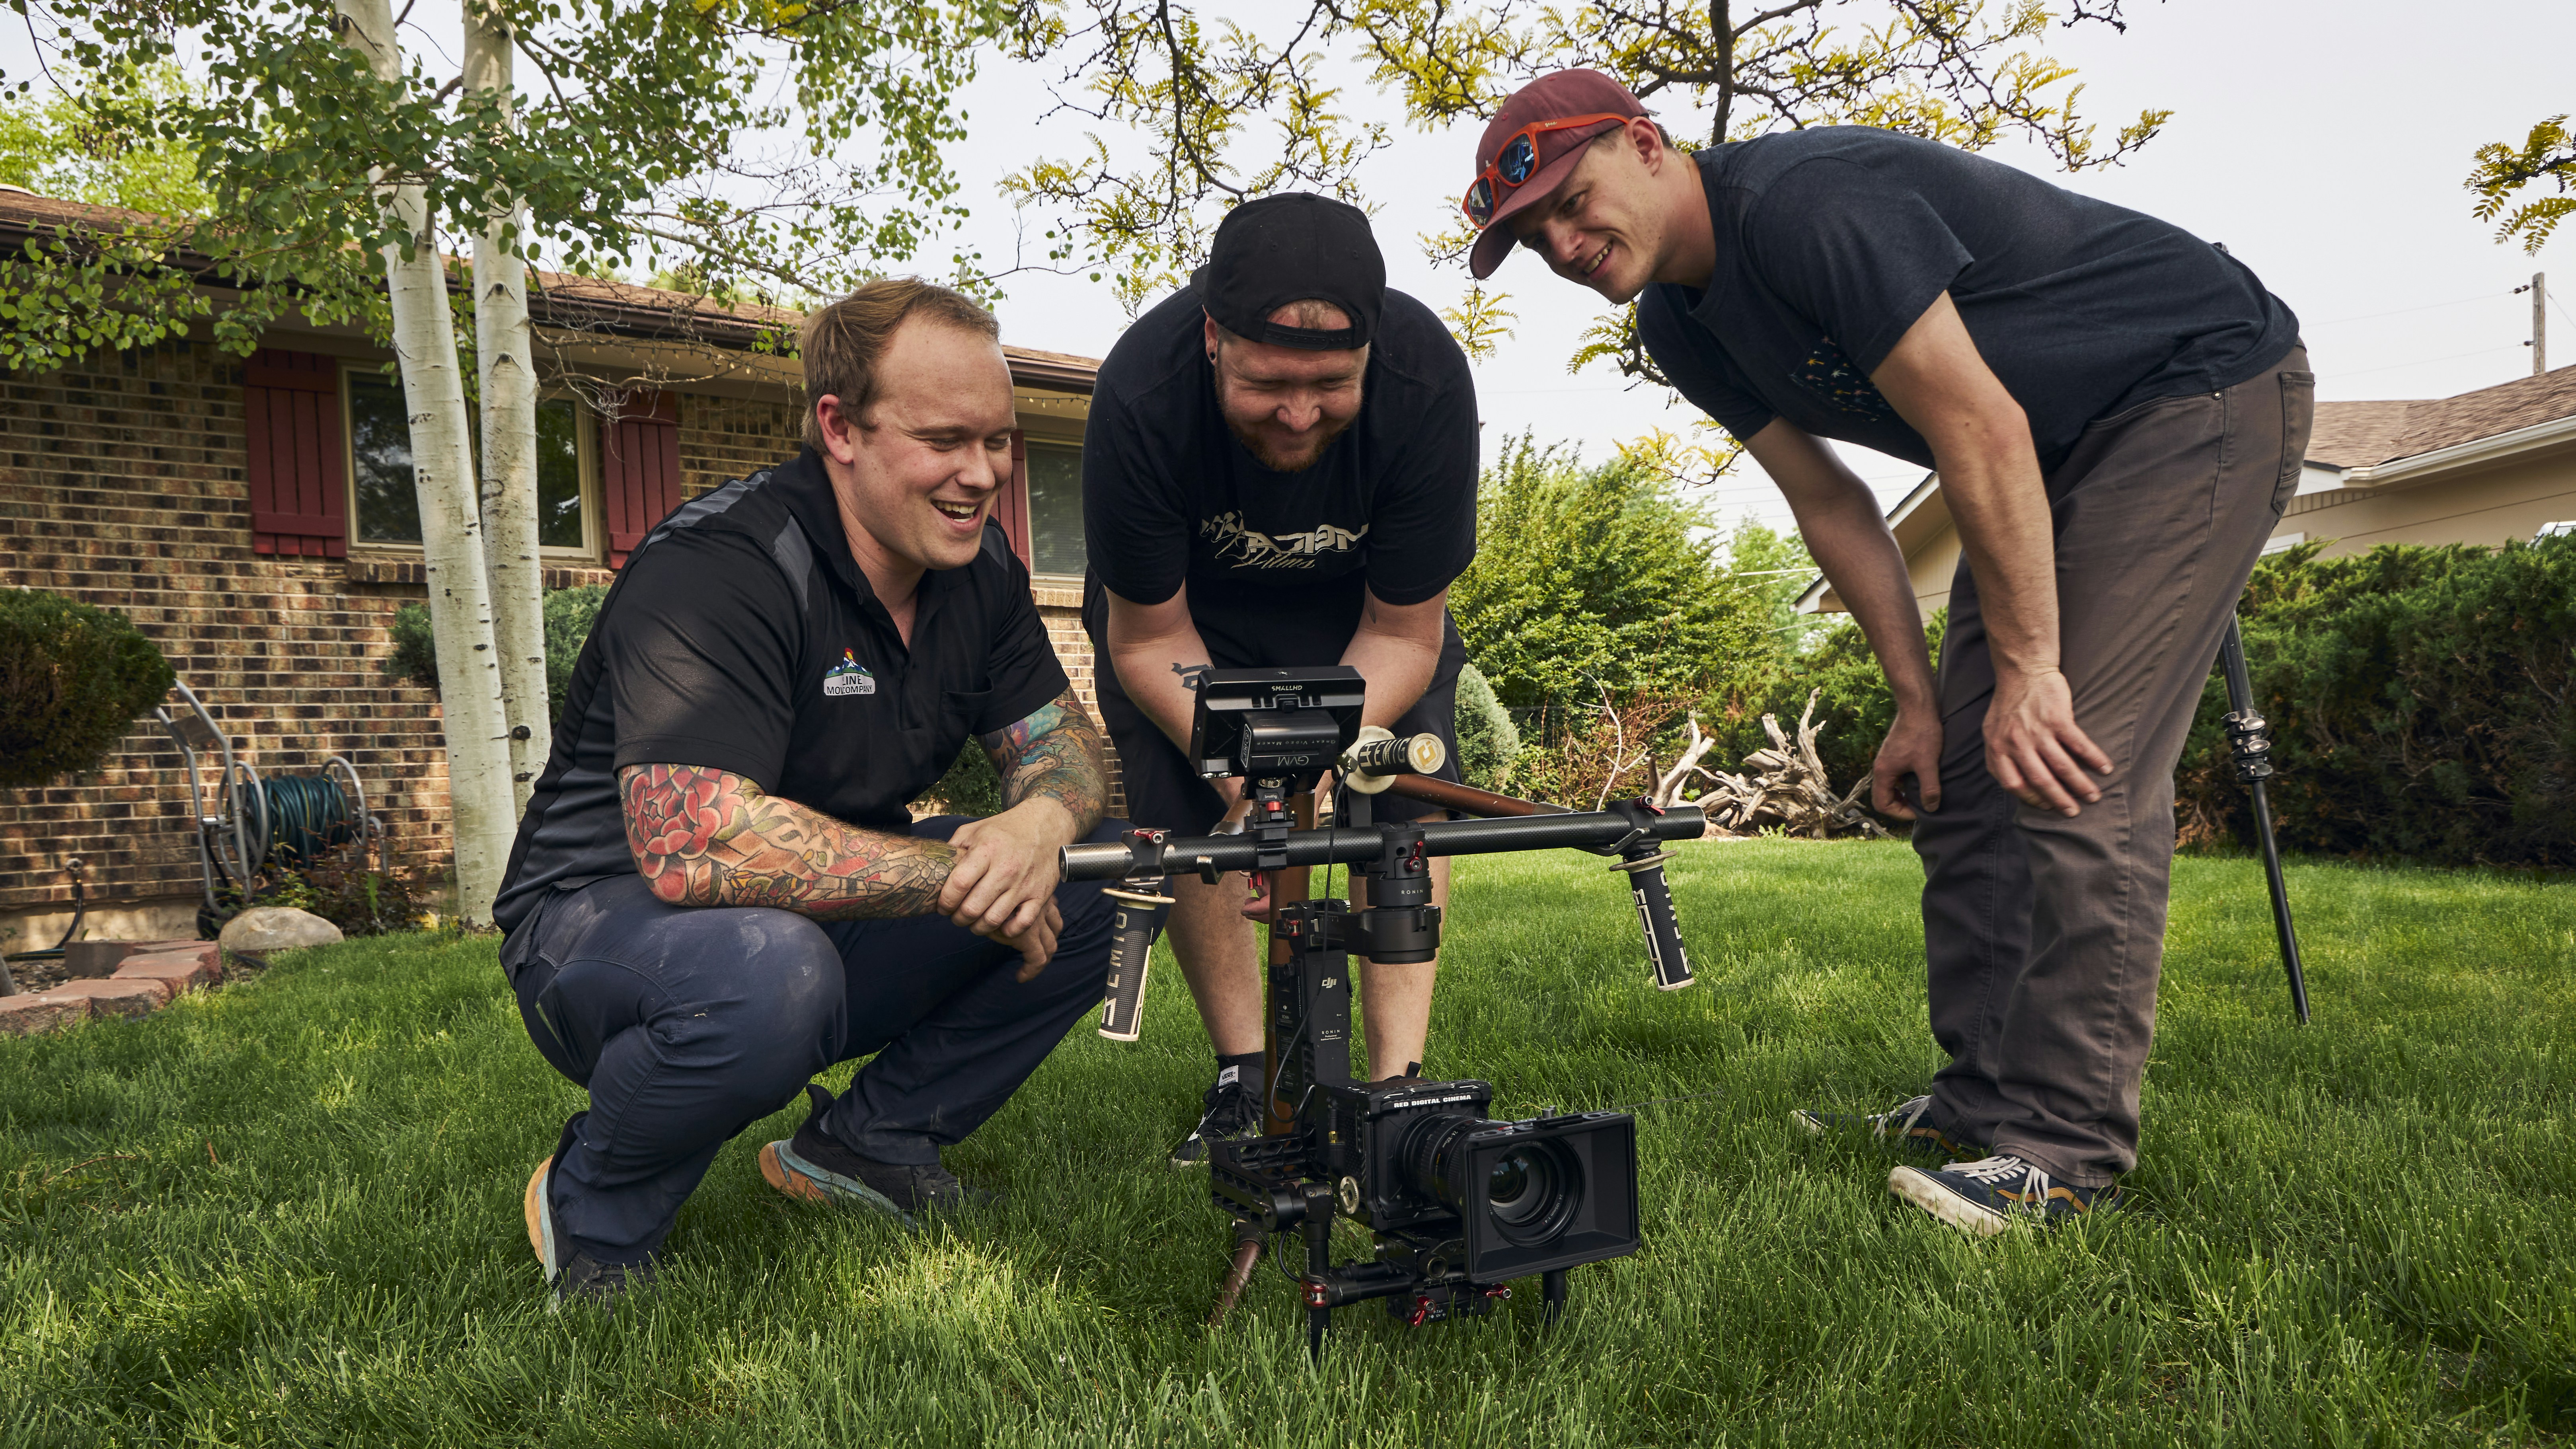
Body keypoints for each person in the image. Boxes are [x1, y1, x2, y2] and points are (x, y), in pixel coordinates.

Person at [1464, 71, 2310, 1235]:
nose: (1562, 243)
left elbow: (1977, 424)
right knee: (1964, 776)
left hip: (2190, 392)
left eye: (1573, 200)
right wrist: (1918, 702)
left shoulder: (1806, 206)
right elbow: (1833, 505)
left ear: (1648, 146)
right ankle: (1977, 1105)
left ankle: (2063, 1153)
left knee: (2071, 760)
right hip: (2048, 450)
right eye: (1531, 235)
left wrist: (2031, 669)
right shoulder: (1677, 324)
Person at [492, 278, 1124, 1303]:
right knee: (766, 970)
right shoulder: (720, 566)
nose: (985, 476)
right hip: (604, 929)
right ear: (840, 428)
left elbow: (1065, 744)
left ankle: (867, 1145)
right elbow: (695, 845)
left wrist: (1041, 824)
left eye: (1000, 442)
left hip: (818, 920)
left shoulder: (979, 571)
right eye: (946, 441)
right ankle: (593, 1205)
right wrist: (951, 875)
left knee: (1104, 875)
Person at [1080, 193, 1481, 1167]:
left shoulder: (1427, 385)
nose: (1300, 414)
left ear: (1373, 351)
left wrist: (1310, 769)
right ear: (1215, 338)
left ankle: (1399, 1093)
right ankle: (1245, 1077)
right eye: (1268, 384)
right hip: (1189, 624)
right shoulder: (1141, 393)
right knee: (1200, 823)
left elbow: (1403, 631)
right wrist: (1252, 784)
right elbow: (1148, 639)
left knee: (1404, 816)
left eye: (1331, 385)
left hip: (1361, 624)